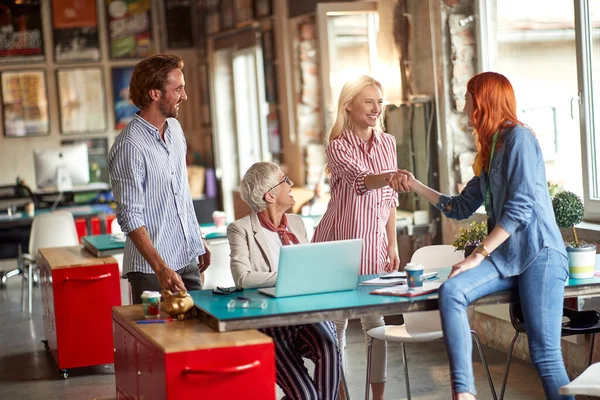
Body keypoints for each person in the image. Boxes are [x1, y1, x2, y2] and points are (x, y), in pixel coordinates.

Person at [393, 71, 572, 400]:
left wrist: (478, 254)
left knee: (544, 353)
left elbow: (519, 208)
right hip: (506, 259)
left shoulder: (520, 138)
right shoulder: (490, 152)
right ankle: (464, 393)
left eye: (467, 98)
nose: (463, 106)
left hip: (540, 254)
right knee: (452, 292)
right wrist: (416, 185)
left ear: (483, 101)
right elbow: (460, 207)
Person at [311, 75, 409, 400]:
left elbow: (390, 199)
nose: (376, 108)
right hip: (337, 244)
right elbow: (361, 181)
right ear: (349, 106)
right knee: (337, 324)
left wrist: (392, 243)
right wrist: (391, 177)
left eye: (379, 101)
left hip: (374, 246)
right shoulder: (337, 147)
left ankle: (377, 397)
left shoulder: (388, 143)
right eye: (369, 101)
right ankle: (340, 395)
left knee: (375, 322)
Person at [228, 161, 342, 400]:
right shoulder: (241, 229)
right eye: (284, 181)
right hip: (270, 324)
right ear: (270, 195)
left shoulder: (299, 223)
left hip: (307, 316)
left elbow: (310, 269)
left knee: (330, 346)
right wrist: (289, 277)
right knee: (306, 396)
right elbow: (242, 277)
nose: (290, 185)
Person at [107, 54, 211, 304]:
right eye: (178, 89)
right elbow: (130, 217)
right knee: (158, 342)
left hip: (187, 259)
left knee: (199, 338)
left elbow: (180, 194)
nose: (184, 96)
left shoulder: (174, 129)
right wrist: (161, 268)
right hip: (152, 271)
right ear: (155, 93)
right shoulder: (130, 146)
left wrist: (197, 239)